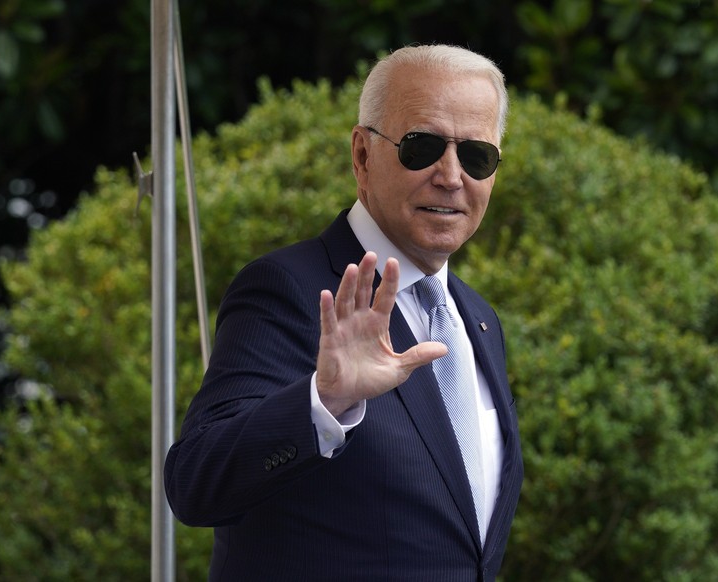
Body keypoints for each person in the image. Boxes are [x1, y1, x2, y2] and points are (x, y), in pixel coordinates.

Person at [164, 44, 523, 581]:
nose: (451, 176)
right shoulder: (290, 289)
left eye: (476, 156)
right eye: (421, 147)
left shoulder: (478, 319)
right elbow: (195, 484)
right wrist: (324, 401)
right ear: (361, 155)